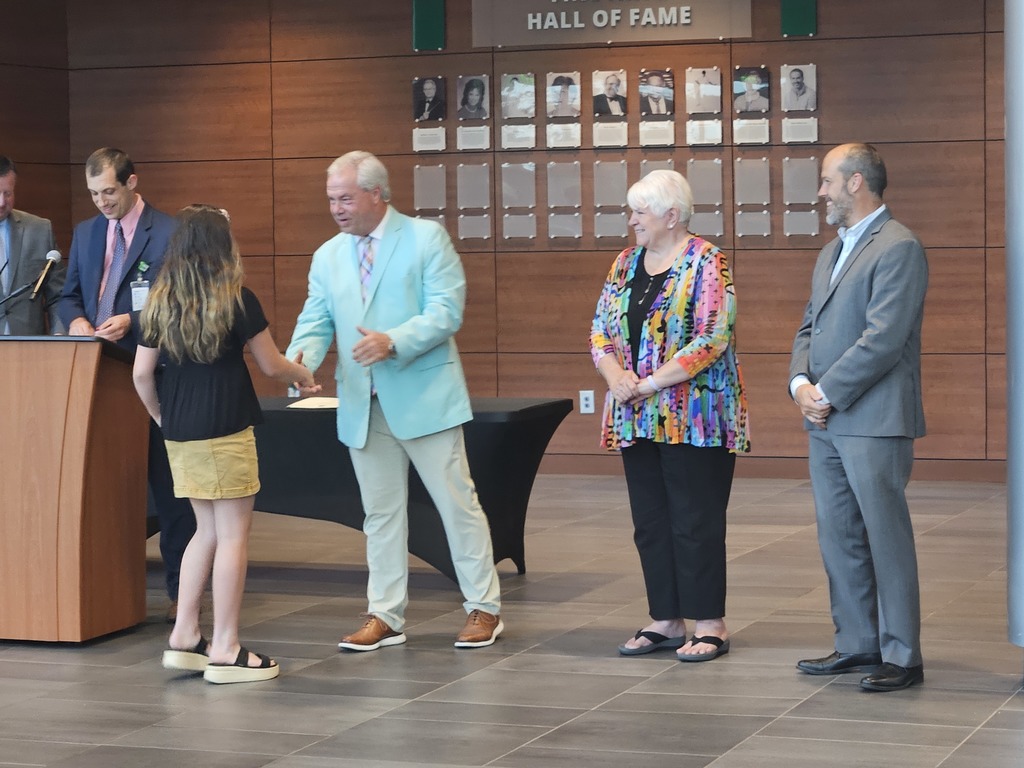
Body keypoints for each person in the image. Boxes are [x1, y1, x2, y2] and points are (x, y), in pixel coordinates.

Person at [287, 151, 504, 652]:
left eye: (345, 198)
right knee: (380, 514)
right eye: (331, 200)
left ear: (376, 193)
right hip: (363, 402)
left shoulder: (426, 238)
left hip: (425, 394)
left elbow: (447, 311)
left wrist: (393, 340)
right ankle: (385, 614)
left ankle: (483, 608)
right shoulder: (328, 255)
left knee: (457, 504)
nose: (337, 209)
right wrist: (299, 364)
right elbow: (315, 320)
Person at [134, 204, 319, 683]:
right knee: (233, 534)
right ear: (222, 245)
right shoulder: (236, 299)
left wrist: (162, 419)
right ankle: (225, 648)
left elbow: (141, 374)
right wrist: (303, 374)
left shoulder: (158, 302)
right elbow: (273, 365)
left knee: (205, 531)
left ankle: (184, 635)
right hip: (225, 427)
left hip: (180, 431)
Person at [590, 169, 750, 662]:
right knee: (651, 521)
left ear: (671, 215)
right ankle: (665, 618)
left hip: (695, 415)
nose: (632, 218)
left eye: (640, 210)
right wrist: (615, 375)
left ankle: (709, 623)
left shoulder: (707, 261)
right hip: (636, 415)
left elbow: (712, 336)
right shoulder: (624, 263)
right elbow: (600, 329)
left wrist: (650, 383)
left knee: (694, 519)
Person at [789, 143, 927, 692]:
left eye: (826, 180)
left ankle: (902, 654)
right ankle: (857, 644)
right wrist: (801, 384)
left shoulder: (899, 247)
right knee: (839, 536)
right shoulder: (831, 251)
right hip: (824, 419)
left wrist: (826, 392)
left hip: (872, 419)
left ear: (855, 183)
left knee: (884, 537)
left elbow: (884, 340)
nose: (820, 191)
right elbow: (808, 328)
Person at [58, 147, 196, 623]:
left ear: (133, 182)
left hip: (154, 376)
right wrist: (75, 320)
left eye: (110, 192)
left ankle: (183, 595)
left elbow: (180, 300)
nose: (102, 203)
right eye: (94, 194)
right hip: (99, 376)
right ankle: (103, 591)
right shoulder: (85, 233)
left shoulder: (170, 231)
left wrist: (133, 320)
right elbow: (68, 293)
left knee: (172, 491)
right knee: (98, 490)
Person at [0, 156, 65, 335]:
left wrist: (59, 337)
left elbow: (58, 294)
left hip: (30, 349)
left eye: (7, 193)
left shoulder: (39, 230)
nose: (2, 202)